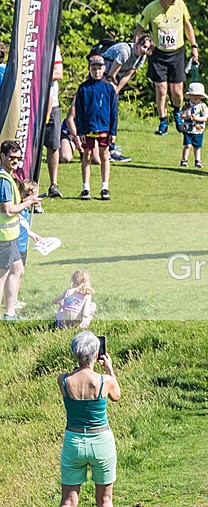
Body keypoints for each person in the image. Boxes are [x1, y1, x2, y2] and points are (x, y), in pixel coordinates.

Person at [54, 331, 121, 507]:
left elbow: (76, 379)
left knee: (68, 502)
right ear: (96, 353)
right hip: (100, 439)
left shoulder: (63, 380)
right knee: (104, 498)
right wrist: (109, 369)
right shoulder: (104, 381)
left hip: (74, 440)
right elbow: (116, 396)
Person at [135, 0, 199, 135]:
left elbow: (188, 26)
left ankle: (177, 113)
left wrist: (194, 46)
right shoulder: (150, 9)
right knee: (161, 90)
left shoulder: (180, 5)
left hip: (177, 53)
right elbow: (139, 30)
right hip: (157, 54)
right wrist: (137, 50)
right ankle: (163, 121)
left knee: (177, 92)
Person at [0, 141, 41, 320]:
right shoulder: (4, 181)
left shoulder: (9, 176)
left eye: (18, 158)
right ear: (2, 156)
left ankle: (10, 312)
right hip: (4, 237)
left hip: (12, 236)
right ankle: (7, 314)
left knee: (18, 270)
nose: (16, 161)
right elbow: (8, 210)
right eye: (12, 157)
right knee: (2, 277)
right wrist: (28, 202)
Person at [71, 55, 118, 201]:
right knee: (87, 155)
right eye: (94, 69)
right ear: (89, 69)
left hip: (104, 127)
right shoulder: (83, 88)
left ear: (104, 69)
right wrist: (81, 130)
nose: (97, 72)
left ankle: (105, 187)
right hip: (88, 127)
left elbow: (114, 111)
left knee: (104, 156)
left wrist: (113, 131)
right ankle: (86, 188)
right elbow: (79, 111)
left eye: (99, 69)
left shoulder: (109, 88)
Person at [102, 36, 154, 163]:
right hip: (103, 75)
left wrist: (117, 90)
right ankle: (102, 149)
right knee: (103, 113)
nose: (144, 50)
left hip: (114, 80)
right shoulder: (124, 51)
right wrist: (112, 88)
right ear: (137, 44)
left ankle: (111, 149)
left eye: (147, 49)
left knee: (113, 114)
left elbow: (128, 75)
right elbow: (111, 75)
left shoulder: (141, 57)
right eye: (144, 46)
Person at [14, 180, 42, 311]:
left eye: (32, 195)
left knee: (20, 273)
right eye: (26, 195)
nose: (29, 198)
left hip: (23, 245)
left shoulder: (25, 210)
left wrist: (33, 235)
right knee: (16, 273)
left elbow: (24, 226)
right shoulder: (18, 208)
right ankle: (11, 299)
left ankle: (14, 298)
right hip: (15, 244)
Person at [45, 45, 64, 202]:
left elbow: (59, 73)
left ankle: (54, 184)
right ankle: (30, 183)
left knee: (53, 144)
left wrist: (38, 73)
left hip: (53, 103)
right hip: (31, 103)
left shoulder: (52, 46)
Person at [179, 82, 208, 168]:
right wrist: (187, 116)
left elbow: (205, 118)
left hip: (198, 130)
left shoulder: (203, 106)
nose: (195, 97)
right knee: (187, 145)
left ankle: (197, 160)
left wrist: (196, 118)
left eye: (198, 96)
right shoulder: (187, 105)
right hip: (188, 128)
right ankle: (184, 160)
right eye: (193, 95)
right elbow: (181, 115)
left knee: (197, 146)